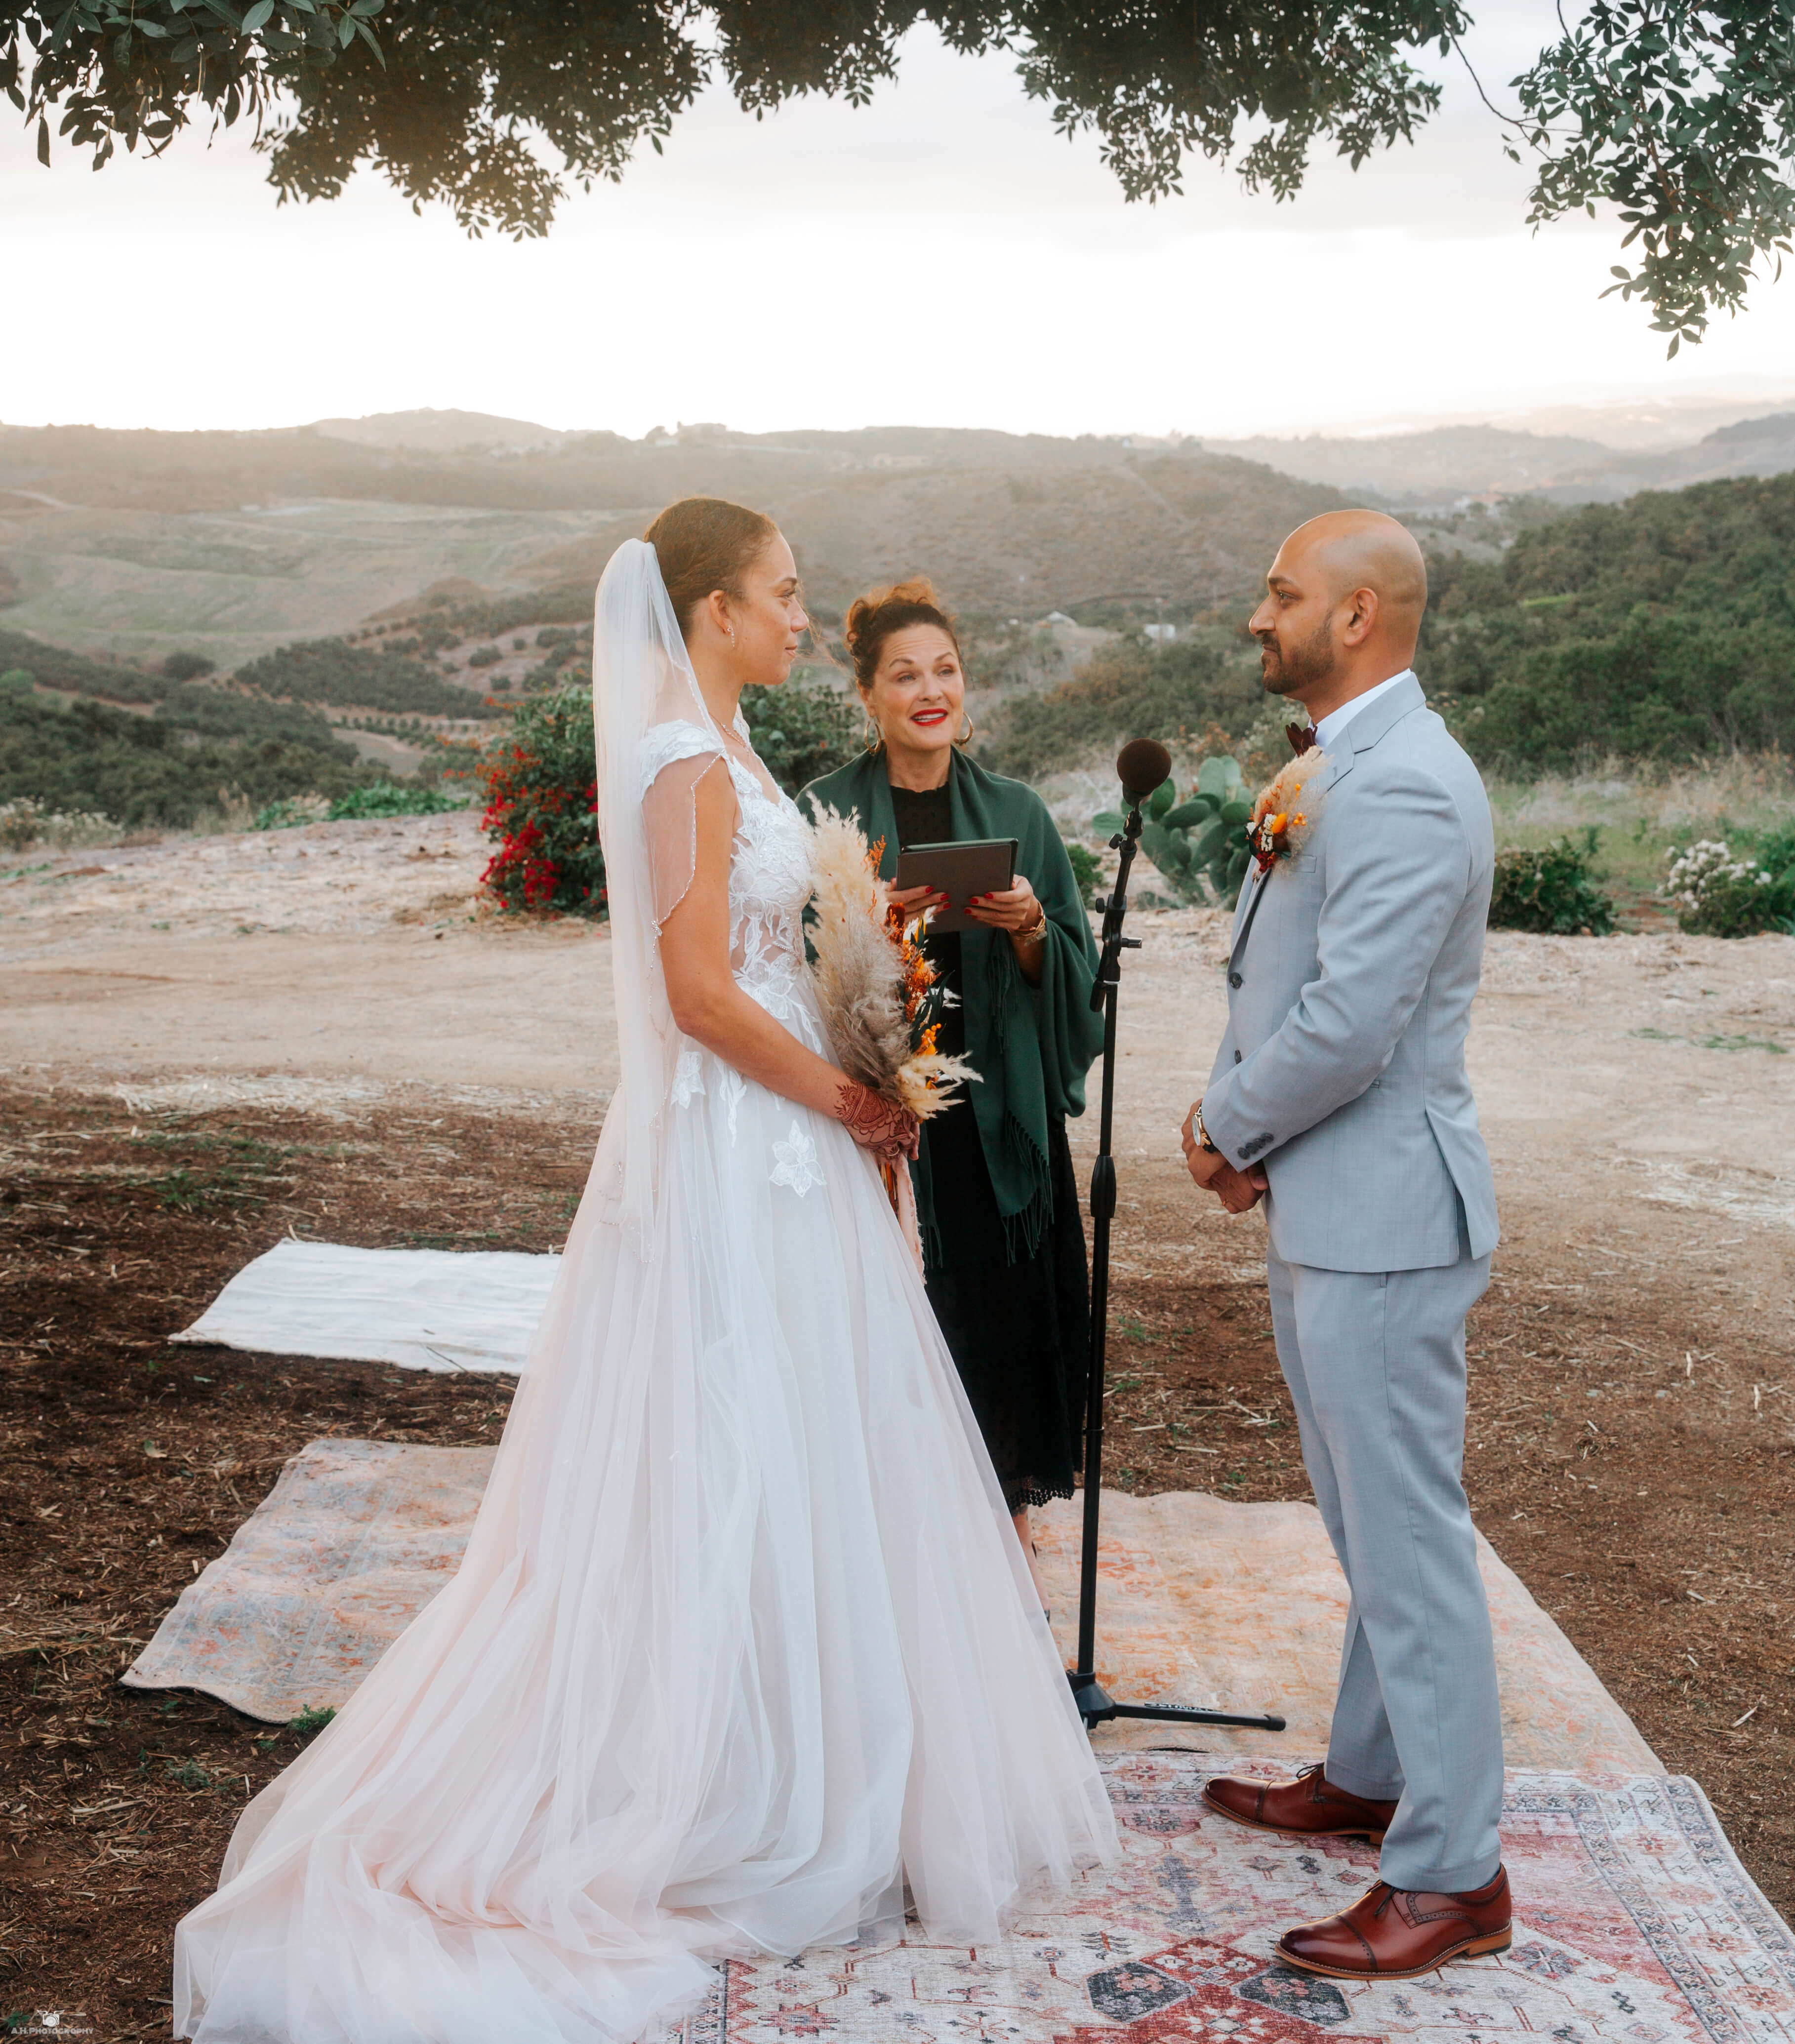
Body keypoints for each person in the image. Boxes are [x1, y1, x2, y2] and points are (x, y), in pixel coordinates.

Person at [173, 500, 1115, 2044]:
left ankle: (815, 1750)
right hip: (740, 1150)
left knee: (816, 1444)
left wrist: (864, 1007)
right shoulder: (687, 761)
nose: (804, 619)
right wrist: (844, 1096)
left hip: (791, 1144)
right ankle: (720, 1775)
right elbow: (690, 993)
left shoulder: (735, 755)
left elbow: (769, 953)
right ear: (711, 607)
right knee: (736, 1440)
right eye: (784, 595)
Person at [1183, 508, 1509, 1984]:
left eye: (1281, 591)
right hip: (1331, 1198)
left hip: (1381, 1211)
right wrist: (1256, 1132)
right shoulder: (1334, 763)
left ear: (1361, 612)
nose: (1260, 614)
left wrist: (1227, 1124)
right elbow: (1286, 973)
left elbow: (1354, 1021)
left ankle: (1454, 1875)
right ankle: (1374, 1776)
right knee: (1362, 1518)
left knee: (1411, 1537)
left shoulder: (1413, 787)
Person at [800, 579, 1100, 1602]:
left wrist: (1025, 928)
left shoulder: (1016, 809)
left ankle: (1001, 1533)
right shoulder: (828, 812)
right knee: (893, 1322)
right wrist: (869, 924)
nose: (929, 689)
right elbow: (793, 962)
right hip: (877, 1116)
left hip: (991, 1118)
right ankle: (888, 1543)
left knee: (995, 1321)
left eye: (945, 669)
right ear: (867, 693)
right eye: (904, 674)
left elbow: (1073, 964)